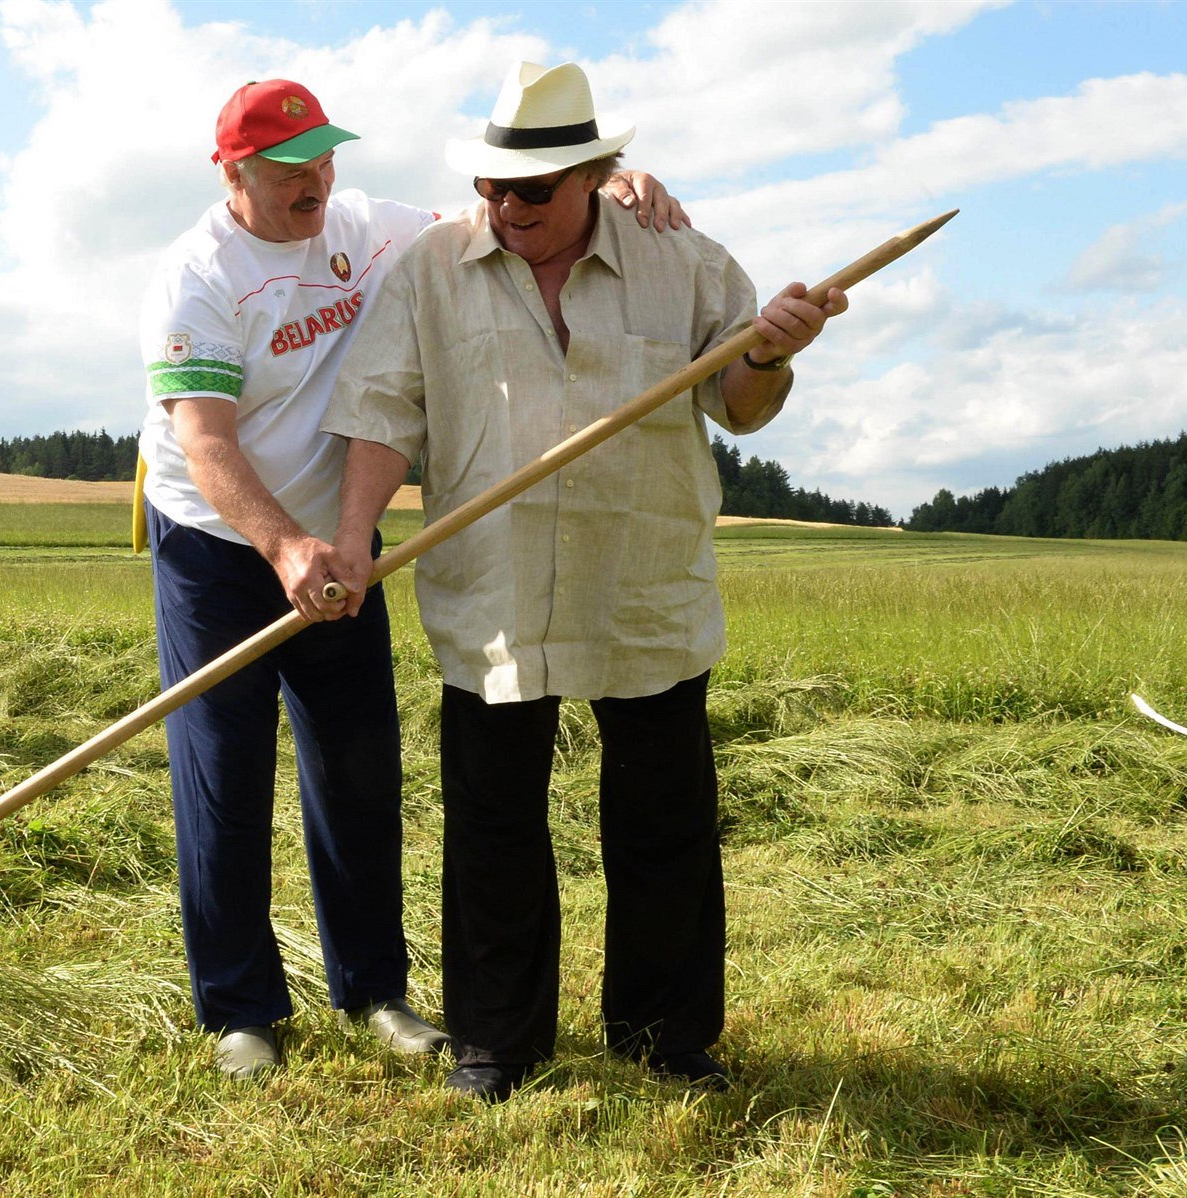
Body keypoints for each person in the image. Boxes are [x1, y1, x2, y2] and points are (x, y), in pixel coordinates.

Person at [138, 77, 686, 1079]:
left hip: (342, 543)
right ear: (232, 171)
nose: (316, 181)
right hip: (220, 542)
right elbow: (204, 441)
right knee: (222, 775)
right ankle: (241, 1010)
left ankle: (372, 989)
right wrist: (279, 546)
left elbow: (511, 215)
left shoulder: (366, 228)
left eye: (324, 158)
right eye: (289, 168)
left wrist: (612, 187)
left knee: (356, 769)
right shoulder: (195, 277)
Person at [322, 61, 849, 1102]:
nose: (505, 210)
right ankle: (496, 1040)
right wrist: (351, 540)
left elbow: (740, 407)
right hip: (494, 587)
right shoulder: (430, 269)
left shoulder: (684, 261)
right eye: (491, 189)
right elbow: (383, 411)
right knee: (492, 823)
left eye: (531, 192)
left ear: (595, 175)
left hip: (642, 578)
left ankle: (664, 1036)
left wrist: (778, 352)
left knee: (663, 822)